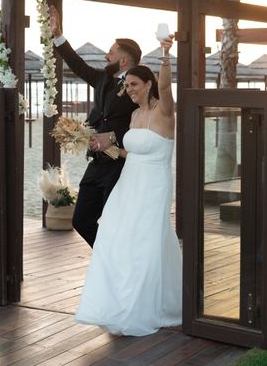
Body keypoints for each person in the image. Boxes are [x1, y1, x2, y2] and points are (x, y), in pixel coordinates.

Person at [74, 35, 181, 335]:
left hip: (154, 186)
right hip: (128, 184)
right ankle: (117, 300)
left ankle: (144, 306)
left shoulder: (165, 113)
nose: (129, 90)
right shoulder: (134, 115)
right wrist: (104, 144)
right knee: (114, 238)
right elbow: (128, 152)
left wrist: (165, 53)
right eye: (127, 85)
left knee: (146, 244)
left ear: (149, 84)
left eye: (134, 85)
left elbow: (168, 87)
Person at [49, 5, 141, 247]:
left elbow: (146, 121)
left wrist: (113, 137)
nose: (106, 56)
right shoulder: (102, 79)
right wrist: (58, 35)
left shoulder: (138, 84)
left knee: (114, 221)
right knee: (81, 220)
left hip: (119, 164)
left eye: (110, 53)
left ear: (123, 59)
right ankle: (108, 259)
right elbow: (77, 65)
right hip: (96, 164)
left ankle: (116, 264)